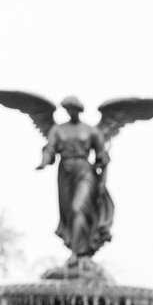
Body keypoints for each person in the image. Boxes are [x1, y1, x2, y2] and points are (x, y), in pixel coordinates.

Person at [39, 96, 114, 262]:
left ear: (79, 110)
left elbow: (102, 155)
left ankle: (76, 253)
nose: (70, 112)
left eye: (73, 109)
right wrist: (44, 161)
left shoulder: (91, 131)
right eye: (67, 109)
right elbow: (50, 148)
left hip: (85, 172)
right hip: (65, 173)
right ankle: (77, 248)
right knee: (68, 213)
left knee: (77, 208)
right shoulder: (58, 129)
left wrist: (102, 175)